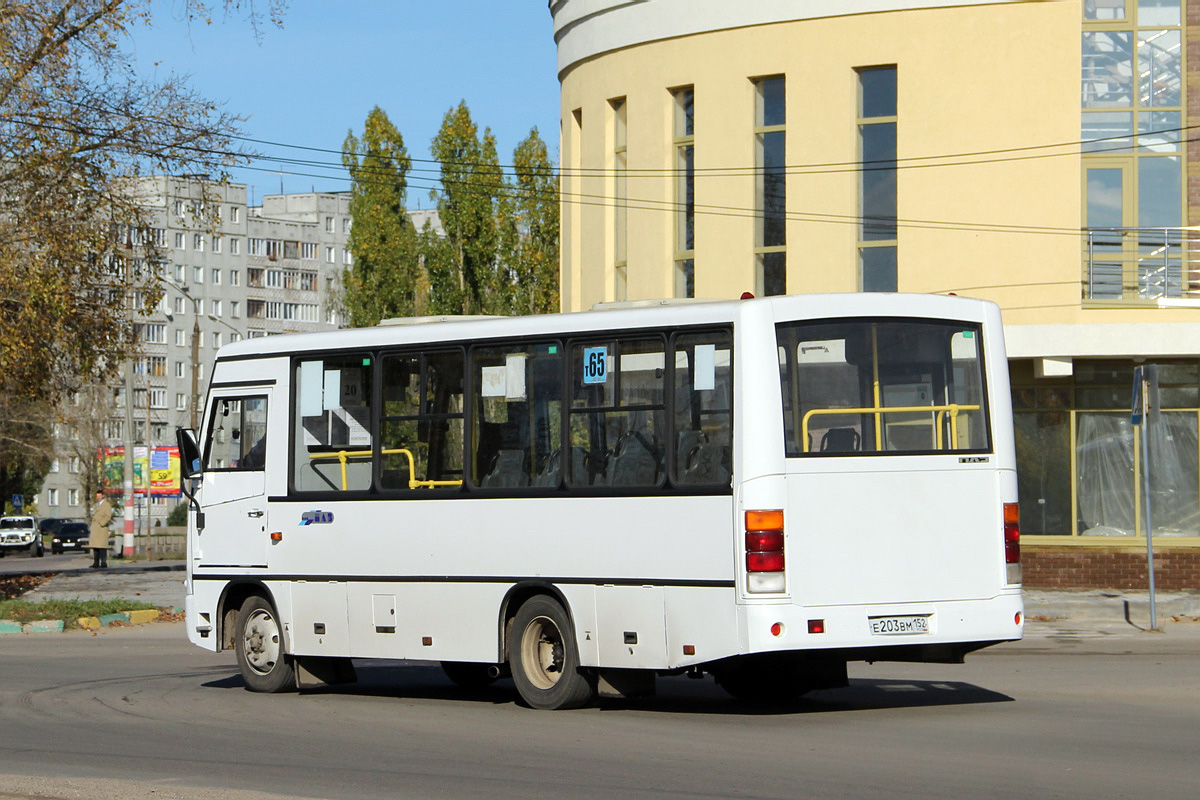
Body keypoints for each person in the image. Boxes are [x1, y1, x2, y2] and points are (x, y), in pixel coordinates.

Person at [89, 490, 113, 569]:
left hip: (102, 528)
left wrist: (102, 523)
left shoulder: (106, 505)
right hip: (95, 528)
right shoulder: (96, 505)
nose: (98, 498)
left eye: (99, 496)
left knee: (102, 547)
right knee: (95, 547)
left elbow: (108, 516)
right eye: (97, 496)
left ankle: (103, 562)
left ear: (103, 496)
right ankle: (96, 562)